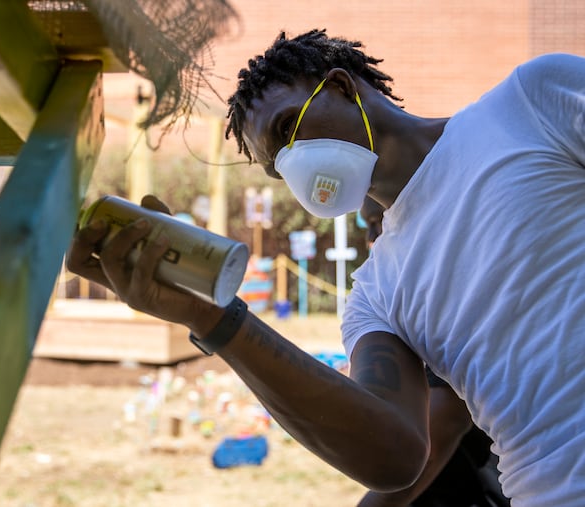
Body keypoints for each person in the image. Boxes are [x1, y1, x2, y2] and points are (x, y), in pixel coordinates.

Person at [67, 29, 585, 506]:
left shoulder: (528, 104)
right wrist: (214, 321)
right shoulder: (374, 295)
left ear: (340, 87)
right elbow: (396, 454)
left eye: (288, 126)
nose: (293, 163)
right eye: (277, 164)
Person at [357, 197, 509, 507]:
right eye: (368, 226)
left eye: (379, 222)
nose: (371, 238)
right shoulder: (396, 296)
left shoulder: (450, 296)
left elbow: (440, 434)